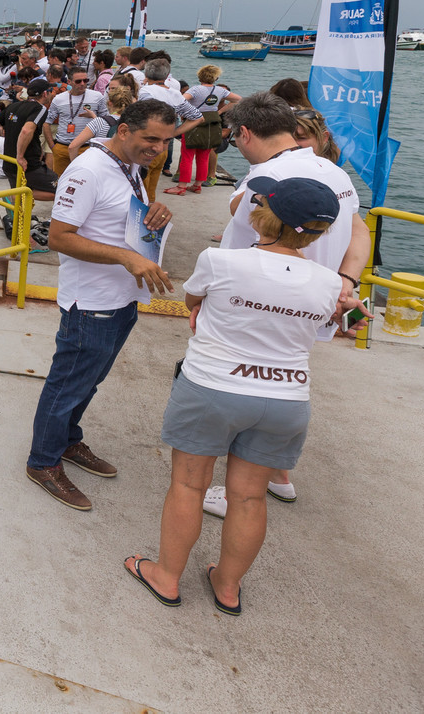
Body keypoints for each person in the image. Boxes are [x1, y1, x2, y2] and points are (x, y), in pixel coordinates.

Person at [124, 177, 351, 613]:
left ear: (264, 215)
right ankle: (228, 588)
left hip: (214, 386)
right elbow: (318, 327)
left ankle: (166, 577)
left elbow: (193, 301)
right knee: (247, 497)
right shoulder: (329, 284)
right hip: (286, 398)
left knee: (189, 485)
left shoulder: (221, 260)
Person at [204, 92, 370, 512]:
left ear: (244, 133)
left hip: (253, 304)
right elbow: (359, 232)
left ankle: (232, 487)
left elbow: (243, 225)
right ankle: (277, 473)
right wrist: (345, 286)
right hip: (313, 304)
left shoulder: (265, 177)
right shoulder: (335, 173)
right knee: (284, 381)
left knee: (236, 390)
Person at [26, 98, 179, 510]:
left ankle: (67, 441)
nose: (158, 148)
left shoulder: (130, 166)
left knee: (88, 381)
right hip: (91, 301)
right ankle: (43, 462)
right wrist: (127, 258)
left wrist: (154, 211)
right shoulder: (88, 170)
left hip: (123, 296)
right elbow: (60, 237)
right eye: (151, 138)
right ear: (124, 130)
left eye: (165, 141)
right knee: (69, 382)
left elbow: (118, 218)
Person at [134, 59, 204, 200]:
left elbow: (143, 114)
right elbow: (198, 117)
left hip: (147, 145)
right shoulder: (175, 94)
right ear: (166, 76)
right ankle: (150, 206)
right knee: (152, 183)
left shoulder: (146, 91)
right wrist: (171, 134)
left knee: (141, 185)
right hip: (163, 146)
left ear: (146, 74)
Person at [165, 64, 232, 195]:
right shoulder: (220, 91)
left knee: (187, 157)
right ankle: (197, 185)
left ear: (200, 76)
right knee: (203, 157)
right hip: (211, 126)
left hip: (194, 124)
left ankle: (182, 186)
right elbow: (239, 100)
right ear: (215, 78)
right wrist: (219, 111)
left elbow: (180, 100)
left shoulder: (195, 90)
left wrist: (185, 112)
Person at [43, 69, 106, 177]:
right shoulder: (59, 99)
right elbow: (46, 122)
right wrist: (53, 146)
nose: (82, 84)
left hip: (86, 148)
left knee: (85, 180)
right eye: (78, 81)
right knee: (60, 181)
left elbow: (105, 120)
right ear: (69, 82)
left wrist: (93, 117)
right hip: (62, 148)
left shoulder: (97, 97)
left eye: (85, 80)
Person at [68, 82, 136, 158]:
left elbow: (72, 147)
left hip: (102, 164)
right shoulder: (135, 123)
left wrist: (76, 165)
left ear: (110, 103)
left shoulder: (99, 122)